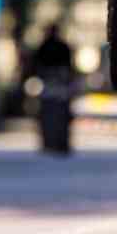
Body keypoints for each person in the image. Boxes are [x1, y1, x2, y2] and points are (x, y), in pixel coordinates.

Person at [31, 24, 74, 156]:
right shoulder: (60, 46)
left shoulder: (45, 47)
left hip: (52, 84)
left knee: (49, 114)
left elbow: (36, 66)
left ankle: (52, 142)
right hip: (56, 84)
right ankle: (59, 142)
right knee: (58, 114)